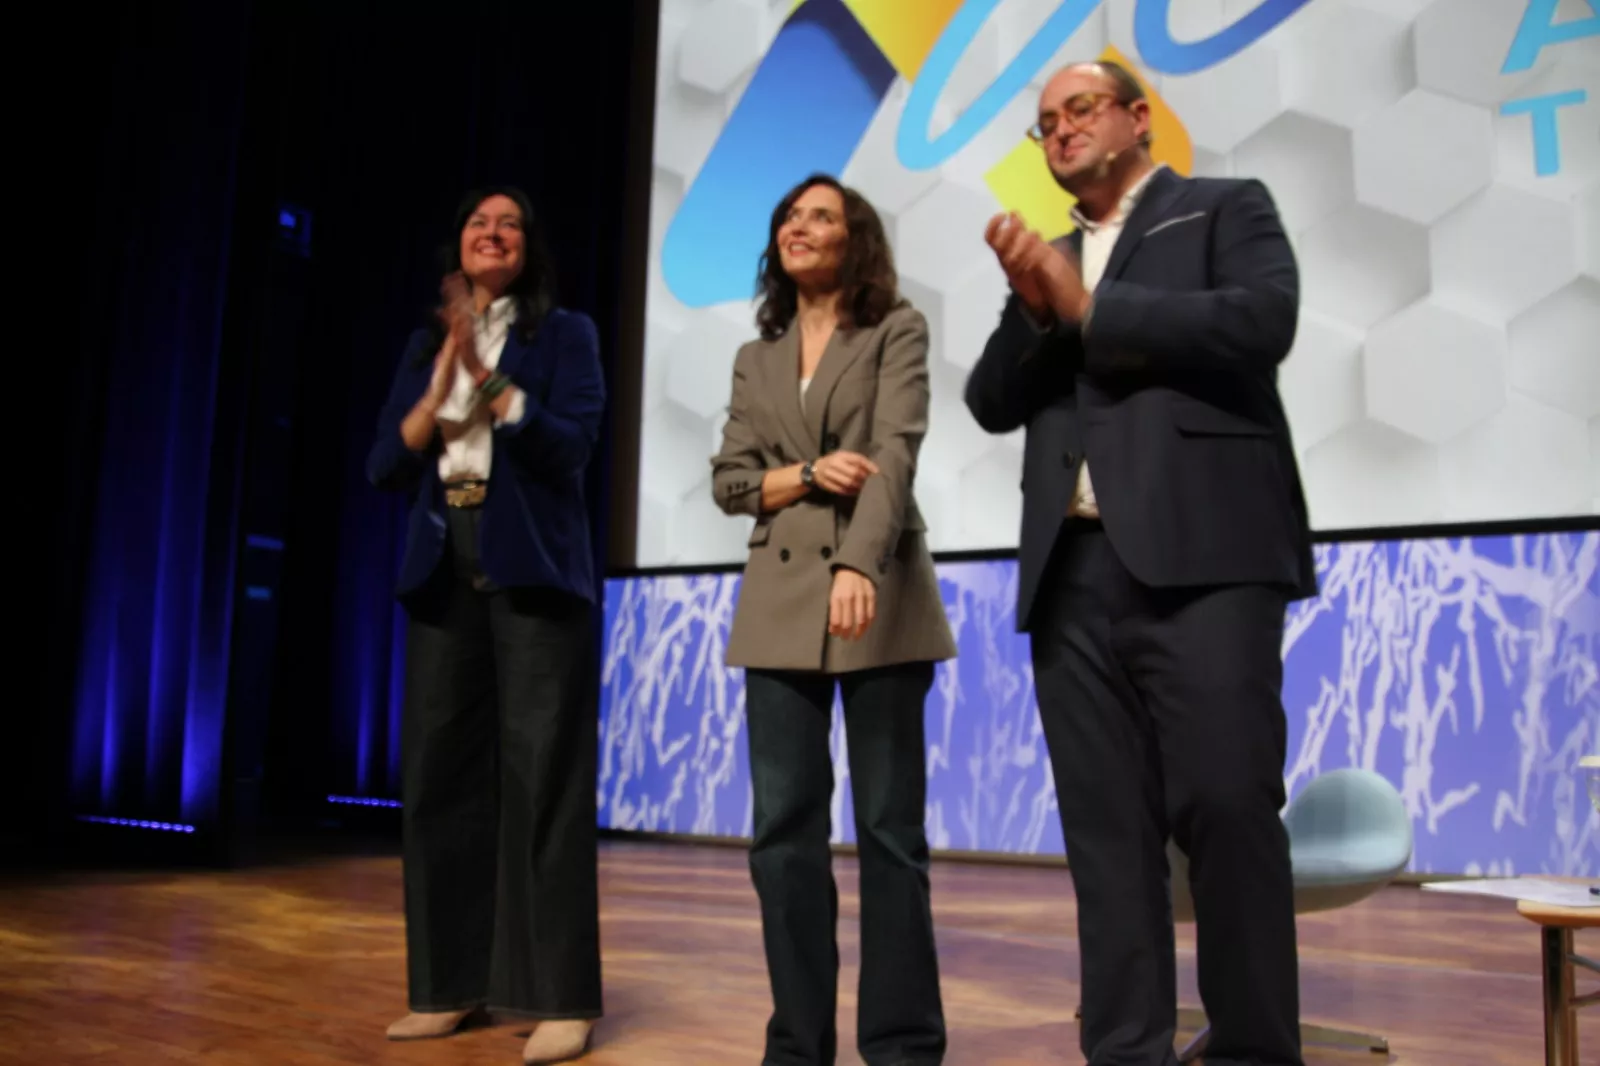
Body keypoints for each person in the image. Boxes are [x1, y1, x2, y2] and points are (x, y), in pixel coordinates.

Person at [963, 61, 1317, 1066]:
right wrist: (1037, 307)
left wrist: (1089, 310)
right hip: (1072, 576)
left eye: (1078, 108)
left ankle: (1252, 1048)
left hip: (1207, 558)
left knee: (1224, 802)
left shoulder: (1220, 208)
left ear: (1136, 117)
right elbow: (992, 402)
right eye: (1044, 124)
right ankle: (1125, 1051)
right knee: (1106, 837)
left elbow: (1262, 322)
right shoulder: (1054, 258)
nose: (1060, 129)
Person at [710, 173, 956, 1066]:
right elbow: (731, 482)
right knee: (783, 839)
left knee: (890, 834)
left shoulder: (897, 329)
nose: (799, 227)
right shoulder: (756, 355)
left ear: (856, 240)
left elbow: (893, 453)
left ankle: (901, 1046)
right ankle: (797, 1045)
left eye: (822, 216)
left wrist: (857, 561)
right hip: (776, 606)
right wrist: (812, 474)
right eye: (789, 216)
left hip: (878, 591)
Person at [366, 186, 606, 1064]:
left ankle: (563, 997)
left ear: (527, 248)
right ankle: (446, 985)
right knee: (438, 783)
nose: (491, 233)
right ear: (457, 247)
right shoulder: (427, 343)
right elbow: (387, 463)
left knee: (543, 781)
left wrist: (495, 382)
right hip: (444, 563)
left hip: (532, 564)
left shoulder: (564, 335)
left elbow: (571, 446)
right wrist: (443, 379)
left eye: (507, 224)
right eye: (476, 223)